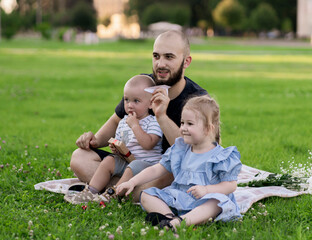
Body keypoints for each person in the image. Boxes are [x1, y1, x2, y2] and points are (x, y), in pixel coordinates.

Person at [70, 30, 207, 201]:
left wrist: (162, 116)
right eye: (156, 56)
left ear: (186, 61)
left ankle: (116, 189)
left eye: (169, 57)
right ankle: (123, 190)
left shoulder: (198, 100)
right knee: (79, 157)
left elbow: (195, 152)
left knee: (171, 174)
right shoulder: (143, 85)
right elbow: (116, 120)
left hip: (161, 170)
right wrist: (94, 141)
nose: (160, 64)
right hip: (130, 161)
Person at [116, 96, 242, 231]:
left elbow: (230, 185)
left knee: (216, 202)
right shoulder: (181, 149)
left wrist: (207, 190)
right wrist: (132, 182)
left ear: (208, 128)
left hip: (205, 200)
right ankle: (168, 219)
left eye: (190, 124)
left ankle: (182, 221)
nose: (183, 128)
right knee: (147, 195)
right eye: (182, 123)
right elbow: (156, 169)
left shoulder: (221, 156)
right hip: (180, 197)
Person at [65, 75, 163, 204]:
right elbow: (123, 142)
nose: (130, 105)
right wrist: (116, 148)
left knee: (133, 166)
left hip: (147, 165)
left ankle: (112, 194)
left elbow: (148, 144)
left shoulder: (153, 121)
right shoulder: (123, 121)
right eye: (126, 100)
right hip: (127, 160)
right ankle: (91, 191)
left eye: (136, 101)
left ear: (151, 103)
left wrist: (135, 126)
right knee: (109, 160)